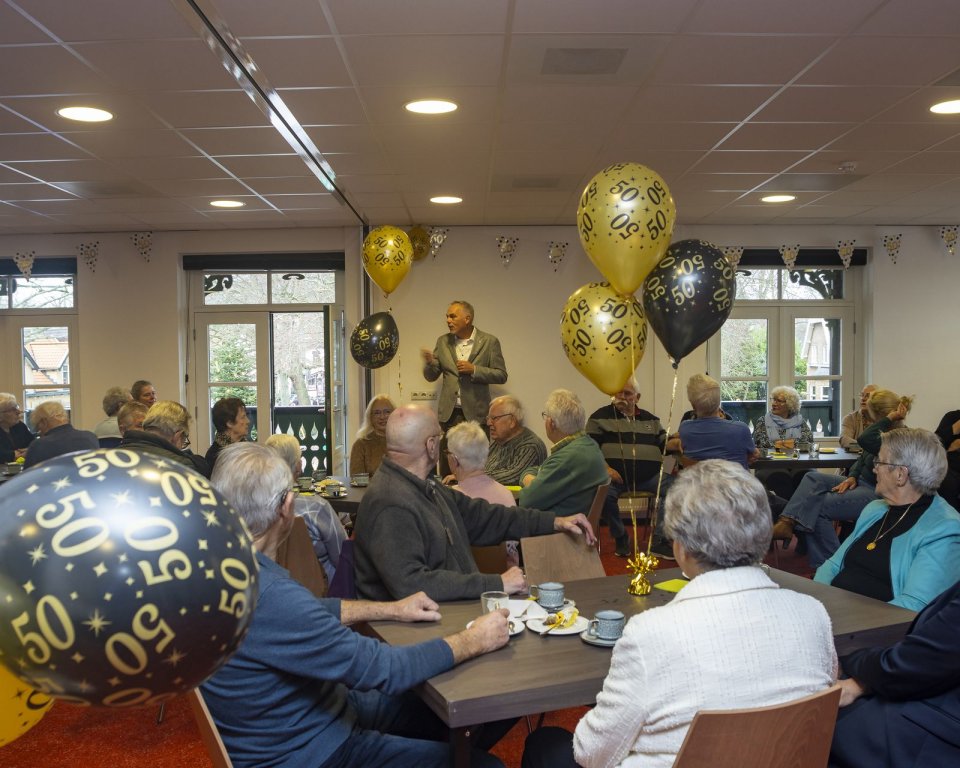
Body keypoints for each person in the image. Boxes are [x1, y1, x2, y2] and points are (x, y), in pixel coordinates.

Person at [203, 442, 509, 768]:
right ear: (287, 506)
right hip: (320, 750)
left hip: (301, 719)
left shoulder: (217, 570)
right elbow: (383, 669)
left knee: (450, 713)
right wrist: (473, 639)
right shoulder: (273, 595)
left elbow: (310, 614)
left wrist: (390, 609)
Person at [521, 460, 837, 768]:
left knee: (545, 744)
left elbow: (591, 753)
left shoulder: (651, 632)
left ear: (680, 548)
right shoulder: (814, 615)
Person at [353, 404, 596, 602]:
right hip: (414, 631)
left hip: (450, 610)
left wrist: (554, 521)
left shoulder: (427, 486)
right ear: (430, 445)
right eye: (439, 437)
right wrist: (496, 583)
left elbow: (486, 516)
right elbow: (414, 585)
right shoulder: (391, 502)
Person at [814, 428, 960, 611]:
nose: (874, 468)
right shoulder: (875, 509)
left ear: (900, 474)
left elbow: (912, 606)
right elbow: (832, 566)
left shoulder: (944, 529)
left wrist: (845, 620)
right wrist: (817, 604)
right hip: (833, 613)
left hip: (876, 630)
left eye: (879, 462)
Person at [772, 389, 913, 568]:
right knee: (812, 477)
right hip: (860, 482)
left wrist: (887, 419)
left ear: (880, 415)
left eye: (871, 415)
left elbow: (864, 440)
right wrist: (852, 476)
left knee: (817, 507)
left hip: (875, 491)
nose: (868, 419)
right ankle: (787, 522)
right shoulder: (882, 433)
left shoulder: (898, 436)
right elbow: (863, 457)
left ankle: (831, 564)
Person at [829, 577, 960, 768]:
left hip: (934, 735)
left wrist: (848, 657)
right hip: (923, 687)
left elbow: (904, 667)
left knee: (806, 723)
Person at [421, 300, 507, 475]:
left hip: (476, 415)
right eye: (447, 316)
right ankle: (447, 497)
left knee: (474, 466)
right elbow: (431, 376)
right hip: (449, 415)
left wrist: (474, 370)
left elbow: (501, 374)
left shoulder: (489, 342)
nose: (448, 320)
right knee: (448, 465)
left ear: (467, 319)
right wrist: (430, 363)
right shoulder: (443, 341)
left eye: (453, 316)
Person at [586, 378, 668, 557]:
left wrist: (680, 442)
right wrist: (605, 468)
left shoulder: (652, 420)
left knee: (677, 488)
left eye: (628, 393)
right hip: (615, 478)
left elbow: (666, 444)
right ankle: (621, 536)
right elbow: (588, 448)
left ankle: (660, 540)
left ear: (637, 397)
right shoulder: (599, 417)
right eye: (618, 392)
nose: (622, 397)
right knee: (603, 493)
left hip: (650, 478)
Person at [266, 433, 348, 583]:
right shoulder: (317, 507)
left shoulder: (255, 509)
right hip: (319, 593)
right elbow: (342, 557)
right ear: (298, 465)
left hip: (271, 590)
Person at [522, 389, 609, 519]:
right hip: (576, 527)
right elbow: (543, 470)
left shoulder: (567, 458)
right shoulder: (588, 445)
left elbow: (526, 501)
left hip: (557, 532)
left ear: (551, 423)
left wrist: (527, 476)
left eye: (545, 416)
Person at [678, 374, 758, 469]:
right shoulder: (741, 429)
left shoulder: (685, 428)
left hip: (699, 483)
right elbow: (753, 455)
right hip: (734, 483)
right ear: (718, 401)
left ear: (693, 405)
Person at [120, 400, 210, 477]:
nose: (183, 445)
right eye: (184, 439)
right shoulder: (183, 467)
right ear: (177, 437)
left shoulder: (114, 455)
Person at [483, 395, 546, 486]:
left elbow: (513, 477)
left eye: (494, 418)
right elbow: (479, 466)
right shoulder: (499, 440)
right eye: (488, 418)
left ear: (512, 421)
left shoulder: (531, 445)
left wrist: (472, 477)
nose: (489, 423)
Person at [23, 401, 98, 468]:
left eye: (37, 426)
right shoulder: (90, 437)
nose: (38, 431)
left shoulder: (38, 445)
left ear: (44, 422)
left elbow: (27, 479)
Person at [752, 385, 814, 452]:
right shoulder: (763, 421)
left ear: (790, 404)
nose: (774, 404)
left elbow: (808, 442)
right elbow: (761, 444)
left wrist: (779, 444)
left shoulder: (799, 421)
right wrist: (789, 443)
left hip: (795, 459)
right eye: (774, 400)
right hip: (771, 460)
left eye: (779, 401)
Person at [349, 394, 394, 476]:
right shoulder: (361, 445)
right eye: (377, 413)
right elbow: (357, 480)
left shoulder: (404, 442)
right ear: (370, 417)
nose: (382, 417)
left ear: (395, 414)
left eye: (387, 412)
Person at [205, 396, 251, 471]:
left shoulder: (247, 449)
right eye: (243, 417)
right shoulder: (215, 456)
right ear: (229, 423)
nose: (248, 421)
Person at [840, 384, 878, 449]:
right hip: (855, 458)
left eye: (868, 396)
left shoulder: (883, 418)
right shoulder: (850, 419)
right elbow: (844, 440)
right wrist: (869, 449)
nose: (863, 399)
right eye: (862, 395)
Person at [0, 392, 34, 462]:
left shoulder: (20, 426)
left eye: (17, 407)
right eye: (12, 410)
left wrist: (29, 450)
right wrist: (12, 455)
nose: (19, 412)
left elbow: (33, 444)